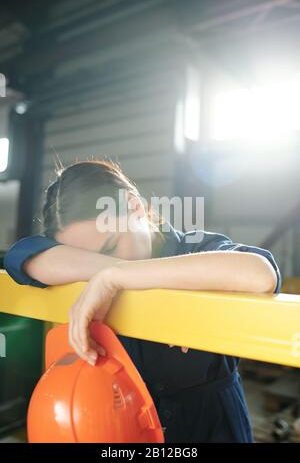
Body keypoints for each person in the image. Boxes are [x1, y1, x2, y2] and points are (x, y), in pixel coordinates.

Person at [4, 160, 281, 443]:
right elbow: (21, 258)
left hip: (212, 426)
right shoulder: (87, 263)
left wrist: (117, 276)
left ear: (135, 207)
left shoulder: (196, 248)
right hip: (129, 426)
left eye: (111, 246)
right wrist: (107, 271)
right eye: (91, 260)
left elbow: (260, 273)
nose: (105, 265)